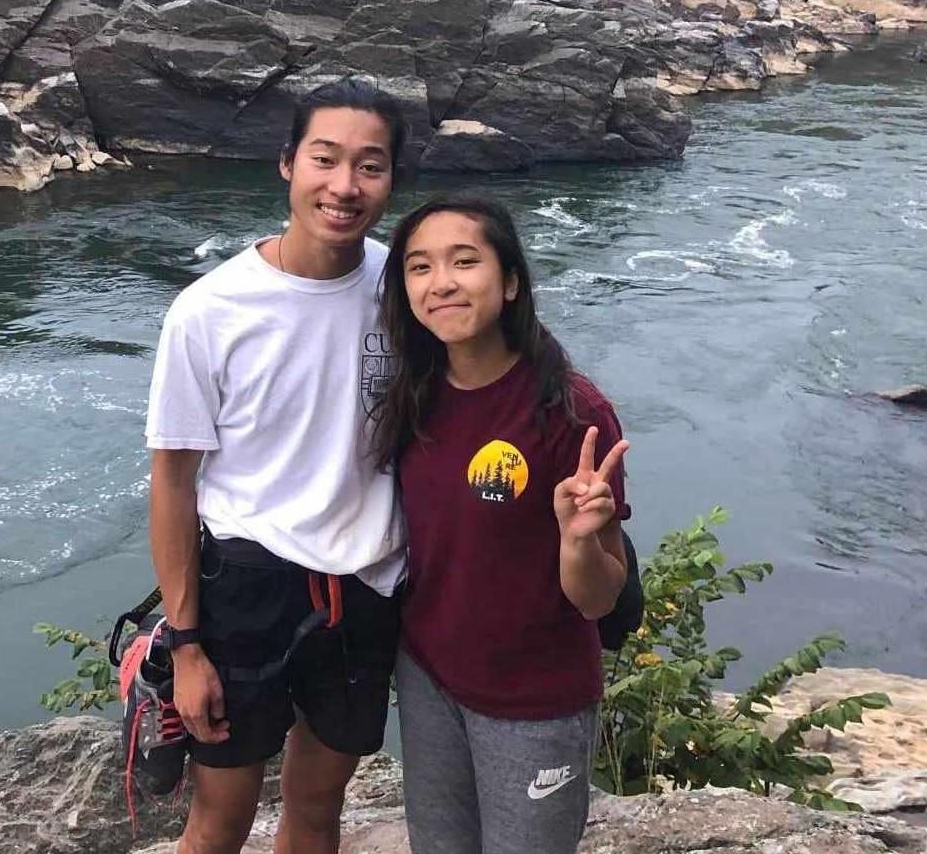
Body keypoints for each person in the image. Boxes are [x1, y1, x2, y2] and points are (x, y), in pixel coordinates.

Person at [145, 78, 408, 854]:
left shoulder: (407, 290)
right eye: (324, 159)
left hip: (364, 587)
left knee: (317, 809)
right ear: (287, 164)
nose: (344, 185)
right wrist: (186, 645)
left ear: (391, 179)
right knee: (218, 821)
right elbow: (172, 482)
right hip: (245, 589)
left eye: (369, 165)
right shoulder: (209, 309)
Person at [371, 198, 630, 854]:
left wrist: (578, 539)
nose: (441, 283)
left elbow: (598, 600)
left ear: (510, 281)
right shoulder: (414, 393)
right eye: (420, 267)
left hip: (534, 697)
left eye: (465, 262)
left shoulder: (572, 413)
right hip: (429, 674)